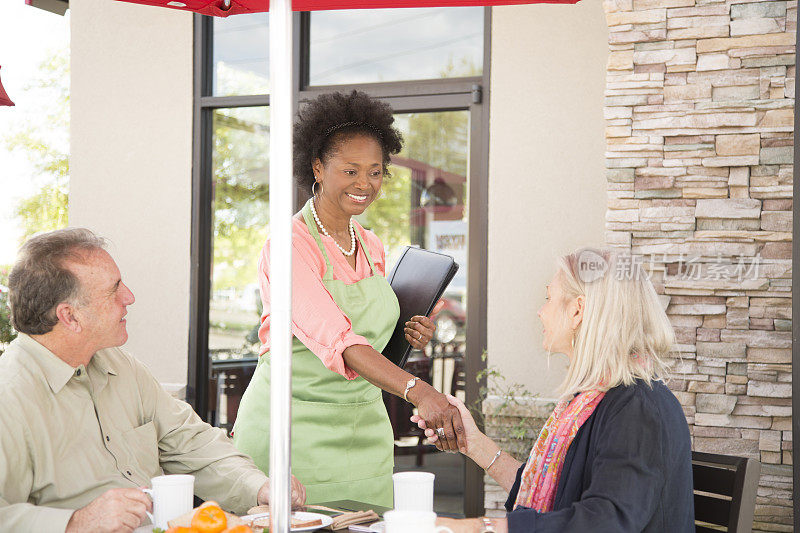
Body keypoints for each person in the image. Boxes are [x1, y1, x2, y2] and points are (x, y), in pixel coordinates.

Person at [232, 90, 465, 507]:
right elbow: (339, 340)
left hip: (364, 433)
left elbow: (371, 337)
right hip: (293, 432)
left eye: (375, 172)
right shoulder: (288, 245)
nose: (365, 184)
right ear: (318, 167)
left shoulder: (371, 244)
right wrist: (421, 391)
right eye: (351, 170)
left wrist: (408, 333)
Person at [0, 228, 306, 533]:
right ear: (69, 317)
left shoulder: (122, 366)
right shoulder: (9, 396)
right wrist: (75, 523)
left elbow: (190, 441)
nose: (129, 297)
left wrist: (259, 487)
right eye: (114, 289)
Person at [414, 249, 694, 532]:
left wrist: (480, 527)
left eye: (549, 298)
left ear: (577, 310)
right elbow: (552, 492)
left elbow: (604, 521)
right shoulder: (593, 399)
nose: (540, 311)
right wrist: (474, 444)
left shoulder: (638, 409)